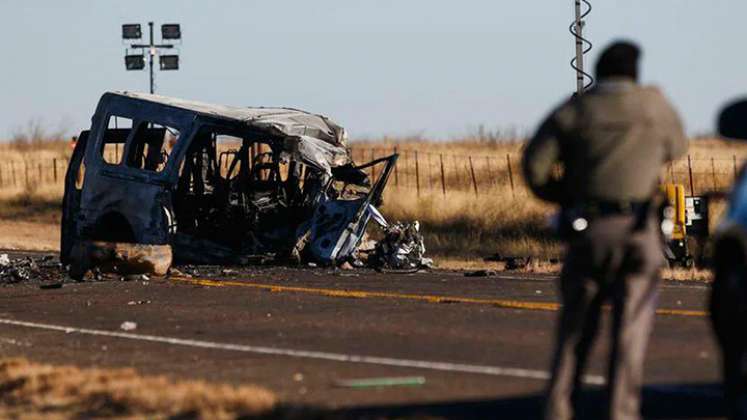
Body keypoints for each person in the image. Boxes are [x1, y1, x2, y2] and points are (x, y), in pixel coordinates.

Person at [522, 41, 687, 420]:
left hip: (590, 229)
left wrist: (564, 196)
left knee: (576, 328)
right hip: (640, 229)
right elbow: (677, 147)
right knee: (630, 334)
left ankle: (558, 408)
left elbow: (534, 167)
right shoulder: (654, 106)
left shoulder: (576, 109)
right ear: (635, 72)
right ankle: (621, 412)